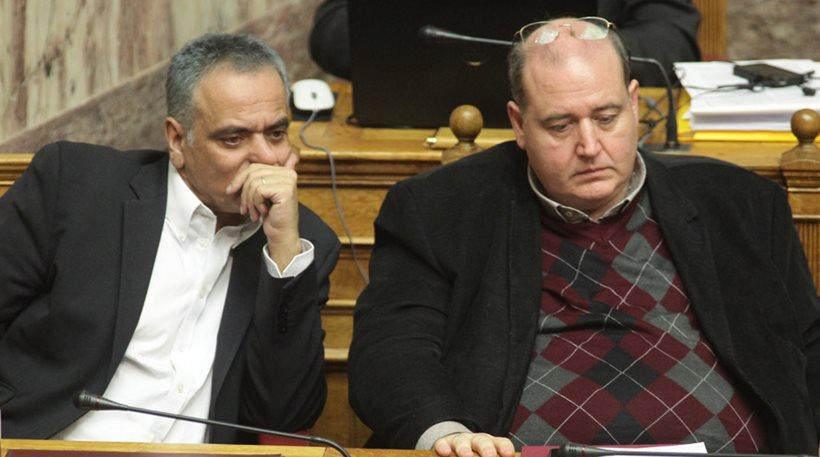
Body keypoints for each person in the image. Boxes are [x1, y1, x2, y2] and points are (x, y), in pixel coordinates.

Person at [349, 16, 819, 457]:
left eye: (607, 117)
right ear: (519, 124)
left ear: (634, 104)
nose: (590, 146)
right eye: (561, 125)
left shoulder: (740, 203)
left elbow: (809, 343)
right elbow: (392, 350)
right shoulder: (440, 210)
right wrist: (446, 436)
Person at [0, 33, 340, 443]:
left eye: (276, 134)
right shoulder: (77, 186)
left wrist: (283, 250)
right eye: (233, 138)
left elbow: (287, 415)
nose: (267, 158)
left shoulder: (302, 246)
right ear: (178, 140)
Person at [308, 0, 701, 86]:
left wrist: (574, 49)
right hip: (422, 126)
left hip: (577, 126)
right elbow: (332, 34)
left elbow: (672, 42)